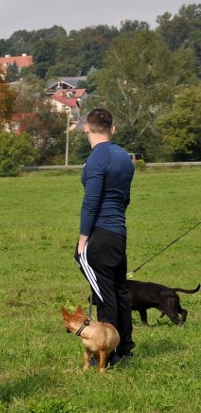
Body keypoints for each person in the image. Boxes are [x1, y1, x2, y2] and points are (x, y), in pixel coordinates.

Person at [75, 107, 135, 367]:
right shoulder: (124, 158)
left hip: (99, 233)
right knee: (120, 290)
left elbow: (92, 201)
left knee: (104, 294)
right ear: (112, 129)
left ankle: (106, 355)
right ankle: (125, 347)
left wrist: (82, 239)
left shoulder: (96, 159)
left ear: (86, 128)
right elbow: (125, 198)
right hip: (118, 232)